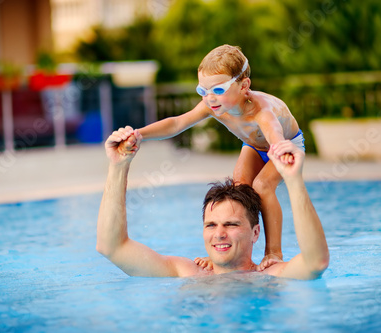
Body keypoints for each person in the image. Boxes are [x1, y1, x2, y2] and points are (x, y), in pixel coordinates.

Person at [135, 44, 304, 270]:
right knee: (239, 191)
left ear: (244, 86)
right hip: (254, 145)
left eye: (218, 90)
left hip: (285, 145)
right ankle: (229, 254)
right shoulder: (213, 105)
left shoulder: (260, 109)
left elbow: (274, 132)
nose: (210, 98)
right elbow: (177, 123)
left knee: (262, 186)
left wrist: (280, 151)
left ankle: (273, 251)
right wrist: (139, 134)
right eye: (202, 91)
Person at [96, 126, 329, 280]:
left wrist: (294, 180)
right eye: (211, 225)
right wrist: (119, 166)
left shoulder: (270, 276)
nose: (219, 234)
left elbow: (316, 261)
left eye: (231, 224)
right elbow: (112, 247)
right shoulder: (186, 272)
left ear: (256, 232)